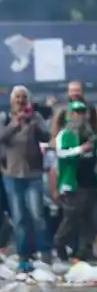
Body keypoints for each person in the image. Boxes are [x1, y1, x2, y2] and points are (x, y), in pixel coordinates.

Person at [0, 86, 52, 271]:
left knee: (37, 215)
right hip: (12, 174)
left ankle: (45, 252)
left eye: (24, 97)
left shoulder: (35, 117)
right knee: (19, 217)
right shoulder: (4, 118)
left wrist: (35, 125)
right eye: (17, 97)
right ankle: (24, 255)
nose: (21, 101)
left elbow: (47, 136)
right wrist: (16, 124)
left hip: (33, 174)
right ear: (12, 100)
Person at [52, 100, 97, 262]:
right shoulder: (64, 134)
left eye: (82, 112)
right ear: (70, 115)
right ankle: (59, 243)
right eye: (77, 112)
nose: (80, 116)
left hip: (89, 179)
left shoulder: (89, 134)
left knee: (89, 218)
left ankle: (85, 250)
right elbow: (61, 154)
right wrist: (80, 149)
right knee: (71, 217)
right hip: (72, 180)